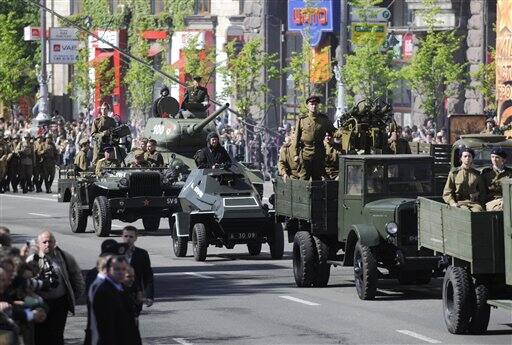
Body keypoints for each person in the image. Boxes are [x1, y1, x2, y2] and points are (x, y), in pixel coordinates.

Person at [26, 230, 84, 345]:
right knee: (40, 336)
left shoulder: (64, 256)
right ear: (39, 244)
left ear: (54, 243)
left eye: (50, 241)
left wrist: (72, 297)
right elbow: (25, 285)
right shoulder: (32, 260)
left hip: (60, 304)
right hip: (40, 305)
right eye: (44, 242)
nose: (48, 244)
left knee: (57, 336)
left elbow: (77, 278)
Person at [92, 255, 142, 345]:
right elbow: (106, 327)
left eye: (123, 269)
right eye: (117, 269)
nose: (121, 272)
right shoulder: (103, 291)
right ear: (108, 270)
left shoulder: (123, 289)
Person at [292, 95, 338, 180]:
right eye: (311, 104)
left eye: (316, 104)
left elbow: (333, 131)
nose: (314, 106)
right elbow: (296, 138)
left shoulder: (323, 120)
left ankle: (317, 194)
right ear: (307, 105)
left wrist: (340, 132)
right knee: (304, 178)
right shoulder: (302, 120)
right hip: (305, 153)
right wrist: (295, 154)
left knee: (317, 179)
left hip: (319, 153)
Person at [121, 226, 154, 316]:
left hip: (135, 295)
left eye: (131, 237)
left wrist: (149, 296)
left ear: (136, 238)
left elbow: (147, 276)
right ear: (122, 236)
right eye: (126, 236)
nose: (128, 239)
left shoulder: (142, 254)